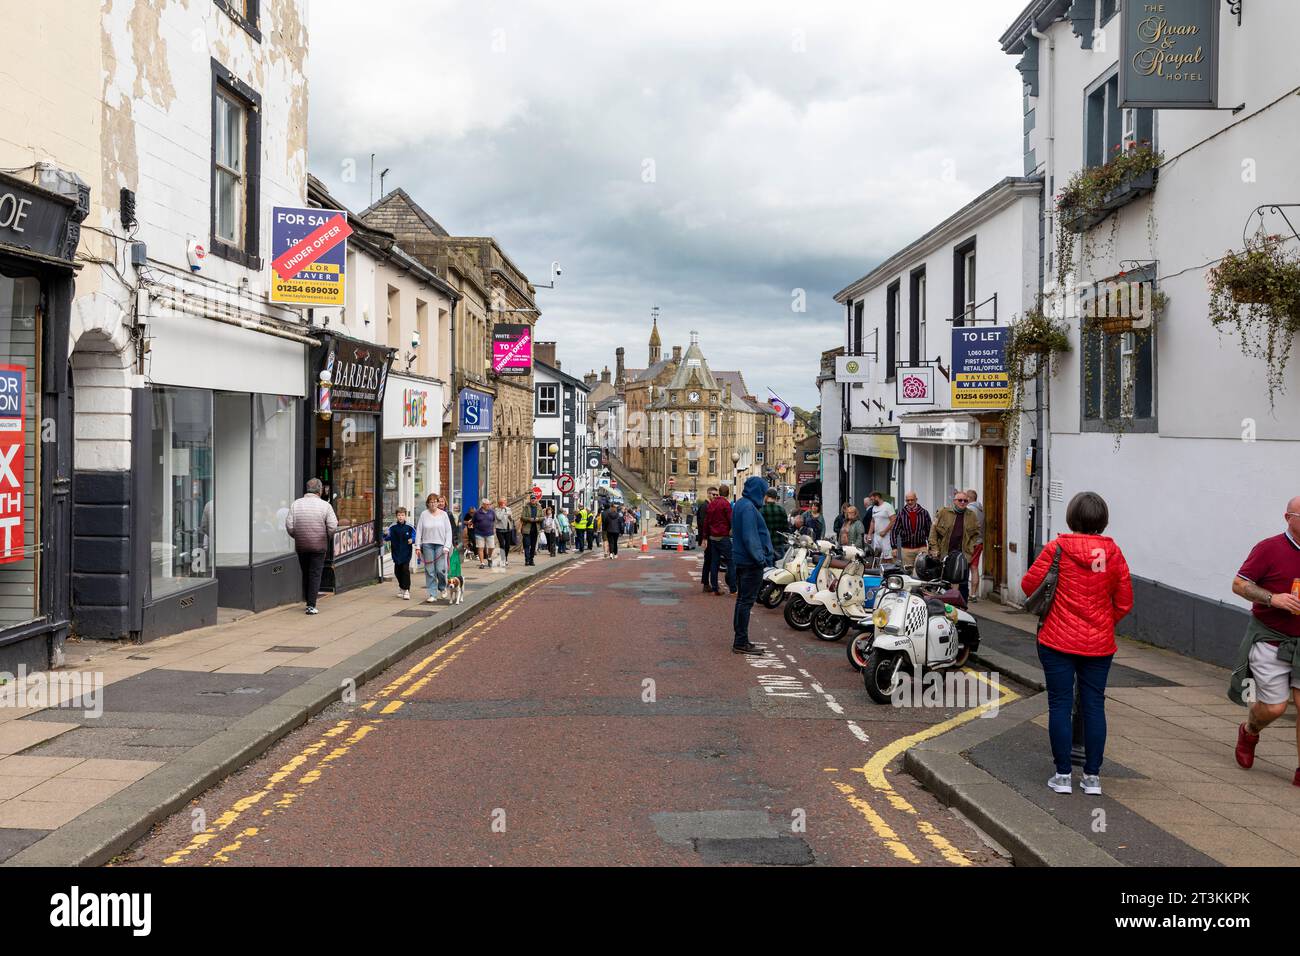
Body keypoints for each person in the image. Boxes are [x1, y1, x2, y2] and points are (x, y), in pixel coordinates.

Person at [1021, 492, 1132, 796]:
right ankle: (1093, 778)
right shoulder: (1114, 554)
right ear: (1103, 520)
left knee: (1060, 704)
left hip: (1056, 639)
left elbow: (1029, 584)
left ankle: (1062, 775)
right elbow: (1124, 602)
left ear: (1071, 517)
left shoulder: (1057, 548)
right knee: (1094, 705)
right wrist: (1103, 623)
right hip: (1099, 644)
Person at [1228, 497, 1300, 788]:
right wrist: (1274, 598)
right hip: (1272, 638)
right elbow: (1239, 584)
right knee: (1274, 708)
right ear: (1288, 517)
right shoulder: (1269, 548)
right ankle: (1250, 729)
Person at [731, 476, 776, 655]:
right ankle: (741, 642)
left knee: (741, 601)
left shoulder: (741, 504)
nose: (765, 497)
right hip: (751, 563)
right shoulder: (749, 508)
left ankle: (740, 639)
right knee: (746, 602)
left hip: (742, 560)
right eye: (763, 492)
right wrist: (760, 559)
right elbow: (751, 537)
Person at [284, 478, 337, 616]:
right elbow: (332, 526)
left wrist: (298, 536)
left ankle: (308, 599)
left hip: (301, 545)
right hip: (319, 545)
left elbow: (289, 525)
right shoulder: (325, 506)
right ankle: (311, 605)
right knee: (315, 573)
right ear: (319, 491)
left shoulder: (296, 504)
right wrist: (326, 537)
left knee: (306, 572)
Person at [928, 490, 981, 603]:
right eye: (960, 500)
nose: (962, 502)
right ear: (954, 501)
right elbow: (933, 532)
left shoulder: (971, 515)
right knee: (944, 584)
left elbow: (976, 534)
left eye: (965, 501)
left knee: (963, 584)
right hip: (945, 554)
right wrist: (935, 548)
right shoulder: (943, 512)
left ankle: (963, 608)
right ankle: (944, 608)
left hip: (962, 555)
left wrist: (970, 549)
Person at [414, 493, 453, 603]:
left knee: (440, 570)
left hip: (440, 545)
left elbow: (448, 531)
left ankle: (442, 587)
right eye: (431, 502)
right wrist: (417, 546)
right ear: (428, 503)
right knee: (430, 570)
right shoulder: (424, 514)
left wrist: (447, 546)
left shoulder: (444, 515)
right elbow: (419, 531)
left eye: (435, 502)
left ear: (438, 502)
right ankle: (432, 594)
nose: (433, 504)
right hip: (427, 545)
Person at [704, 483, 736, 595]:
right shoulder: (726, 504)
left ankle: (715, 589)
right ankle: (733, 589)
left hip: (713, 537)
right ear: (728, 494)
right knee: (730, 562)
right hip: (723, 537)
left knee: (714, 563)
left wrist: (705, 537)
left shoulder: (712, 504)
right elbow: (731, 520)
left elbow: (707, 522)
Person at [891, 491, 932, 571]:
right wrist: (894, 547)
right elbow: (894, 530)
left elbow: (929, 531)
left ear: (916, 499)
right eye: (908, 500)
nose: (910, 502)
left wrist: (931, 547)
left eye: (912, 500)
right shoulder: (901, 513)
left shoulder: (924, 513)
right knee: (908, 572)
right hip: (906, 549)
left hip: (921, 548)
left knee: (922, 570)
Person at [384, 506, 416, 600]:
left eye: (402, 515)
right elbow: (387, 537)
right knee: (397, 571)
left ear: (405, 516)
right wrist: (385, 534)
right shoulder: (393, 527)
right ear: (396, 516)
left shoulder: (409, 527)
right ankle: (401, 587)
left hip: (406, 552)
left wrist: (412, 540)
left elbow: (415, 535)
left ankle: (406, 590)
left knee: (405, 570)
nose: (400, 517)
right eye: (399, 515)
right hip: (396, 553)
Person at [966, 489, 985, 602]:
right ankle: (973, 594)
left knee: (965, 568)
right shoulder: (981, 510)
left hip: (970, 543)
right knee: (974, 568)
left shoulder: (969, 510)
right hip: (979, 542)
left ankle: (965, 593)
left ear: (969, 498)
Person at [698, 487, 719, 592]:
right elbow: (702, 523)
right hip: (708, 539)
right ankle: (706, 583)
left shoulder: (710, 506)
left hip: (710, 537)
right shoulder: (705, 506)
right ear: (708, 494)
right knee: (708, 561)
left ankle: (707, 583)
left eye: (716, 495)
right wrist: (704, 538)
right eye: (713, 494)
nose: (715, 496)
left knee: (710, 561)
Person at [868, 491, 896, 561]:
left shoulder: (888, 506)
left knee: (888, 558)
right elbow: (873, 521)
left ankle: (888, 571)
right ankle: (879, 571)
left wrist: (885, 531)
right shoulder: (874, 508)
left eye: (872, 499)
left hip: (886, 536)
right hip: (877, 537)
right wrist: (869, 534)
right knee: (877, 557)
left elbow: (894, 520)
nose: (871, 502)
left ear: (877, 497)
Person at [761, 487, 790, 552]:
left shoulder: (761, 510)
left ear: (767, 496)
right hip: (778, 545)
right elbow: (785, 528)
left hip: (765, 545)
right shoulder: (781, 510)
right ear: (775, 498)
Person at [519, 492, 543, 566]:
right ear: (530, 500)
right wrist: (530, 519)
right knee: (526, 545)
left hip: (535, 529)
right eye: (532, 498)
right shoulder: (526, 507)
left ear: (536, 500)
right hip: (526, 529)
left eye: (534, 498)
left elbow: (542, 517)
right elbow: (522, 517)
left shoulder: (539, 507)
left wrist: (538, 519)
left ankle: (531, 560)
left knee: (533, 546)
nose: (533, 500)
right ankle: (527, 560)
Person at [472, 499, 496, 569]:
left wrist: (493, 528)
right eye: (487, 504)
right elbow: (473, 521)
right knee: (480, 548)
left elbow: (493, 520)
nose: (489, 506)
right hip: (479, 533)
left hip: (489, 532)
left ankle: (489, 557)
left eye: (489, 504)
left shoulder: (492, 512)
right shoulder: (477, 513)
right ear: (483, 505)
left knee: (491, 547)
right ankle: (482, 563)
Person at [494, 497, 516, 567]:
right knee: (502, 545)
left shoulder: (508, 509)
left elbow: (511, 519)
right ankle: (502, 560)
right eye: (504, 501)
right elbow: (499, 518)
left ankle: (505, 557)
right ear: (500, 503)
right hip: (500, 529)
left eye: (505, 501)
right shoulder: (497, 510)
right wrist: (503, 510)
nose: (505, 502)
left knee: (507, 545)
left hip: (508, 529)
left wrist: (510, 517)